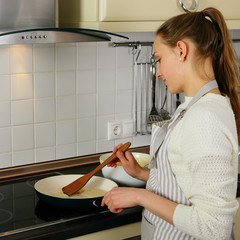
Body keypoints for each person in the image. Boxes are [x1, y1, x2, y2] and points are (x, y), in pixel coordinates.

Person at [101, 7, 240, 240]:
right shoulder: (195, 106)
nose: (157, 72)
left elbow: (214, 228)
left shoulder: (205, 118)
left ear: (182, 51)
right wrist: (141, 174)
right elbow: (185, 184)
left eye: (159, 59)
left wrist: (139, 197)